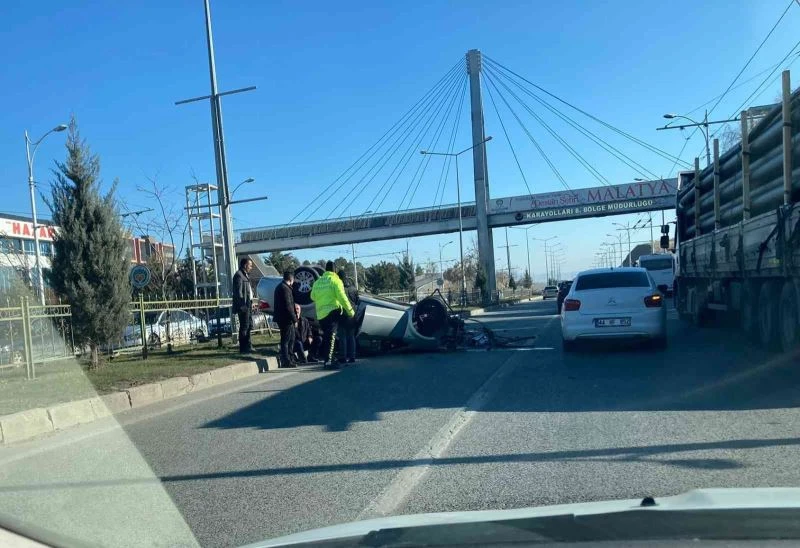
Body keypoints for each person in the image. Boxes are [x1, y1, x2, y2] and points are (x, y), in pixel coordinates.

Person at [310, 261, 354, 369]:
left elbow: (312, 296)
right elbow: (342, 297)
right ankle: (329, 361)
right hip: (332, 312)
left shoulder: (318, 282)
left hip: (321, 314)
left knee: (327, 337)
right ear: (334, 270)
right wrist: (350, 311)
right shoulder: (336, 280)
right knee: (332, 337)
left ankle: (330, 358)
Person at [273, 270, 297, 368]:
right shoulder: (285, 289)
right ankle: (286, 360)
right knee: (286, 340)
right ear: (291, 279)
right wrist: (294, 319)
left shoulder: (282, 287)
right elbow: (288, 306)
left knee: (291, 338)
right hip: (286, 318)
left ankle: (290, 358)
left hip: (283, 317)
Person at [232, 257, 256, 354]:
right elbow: (238, 293)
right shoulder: (238, 275)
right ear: (245, 265)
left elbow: (248, 291)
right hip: (243, 305)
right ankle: (243, 348)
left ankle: (248, 345)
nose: (251, 267)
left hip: (248, 303)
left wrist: (251, 302)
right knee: (244, 326)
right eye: (250, 265)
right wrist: (243, 305)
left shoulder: (245, 275)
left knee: (249, 325)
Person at [336, 270, 359, 365]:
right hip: (352, 314)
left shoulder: (339, 288)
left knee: (343, 337)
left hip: (342, 314)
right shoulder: (353, 288)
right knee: (351, 336)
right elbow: (357, 301)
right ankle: (352, 356)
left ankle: (343, 356)